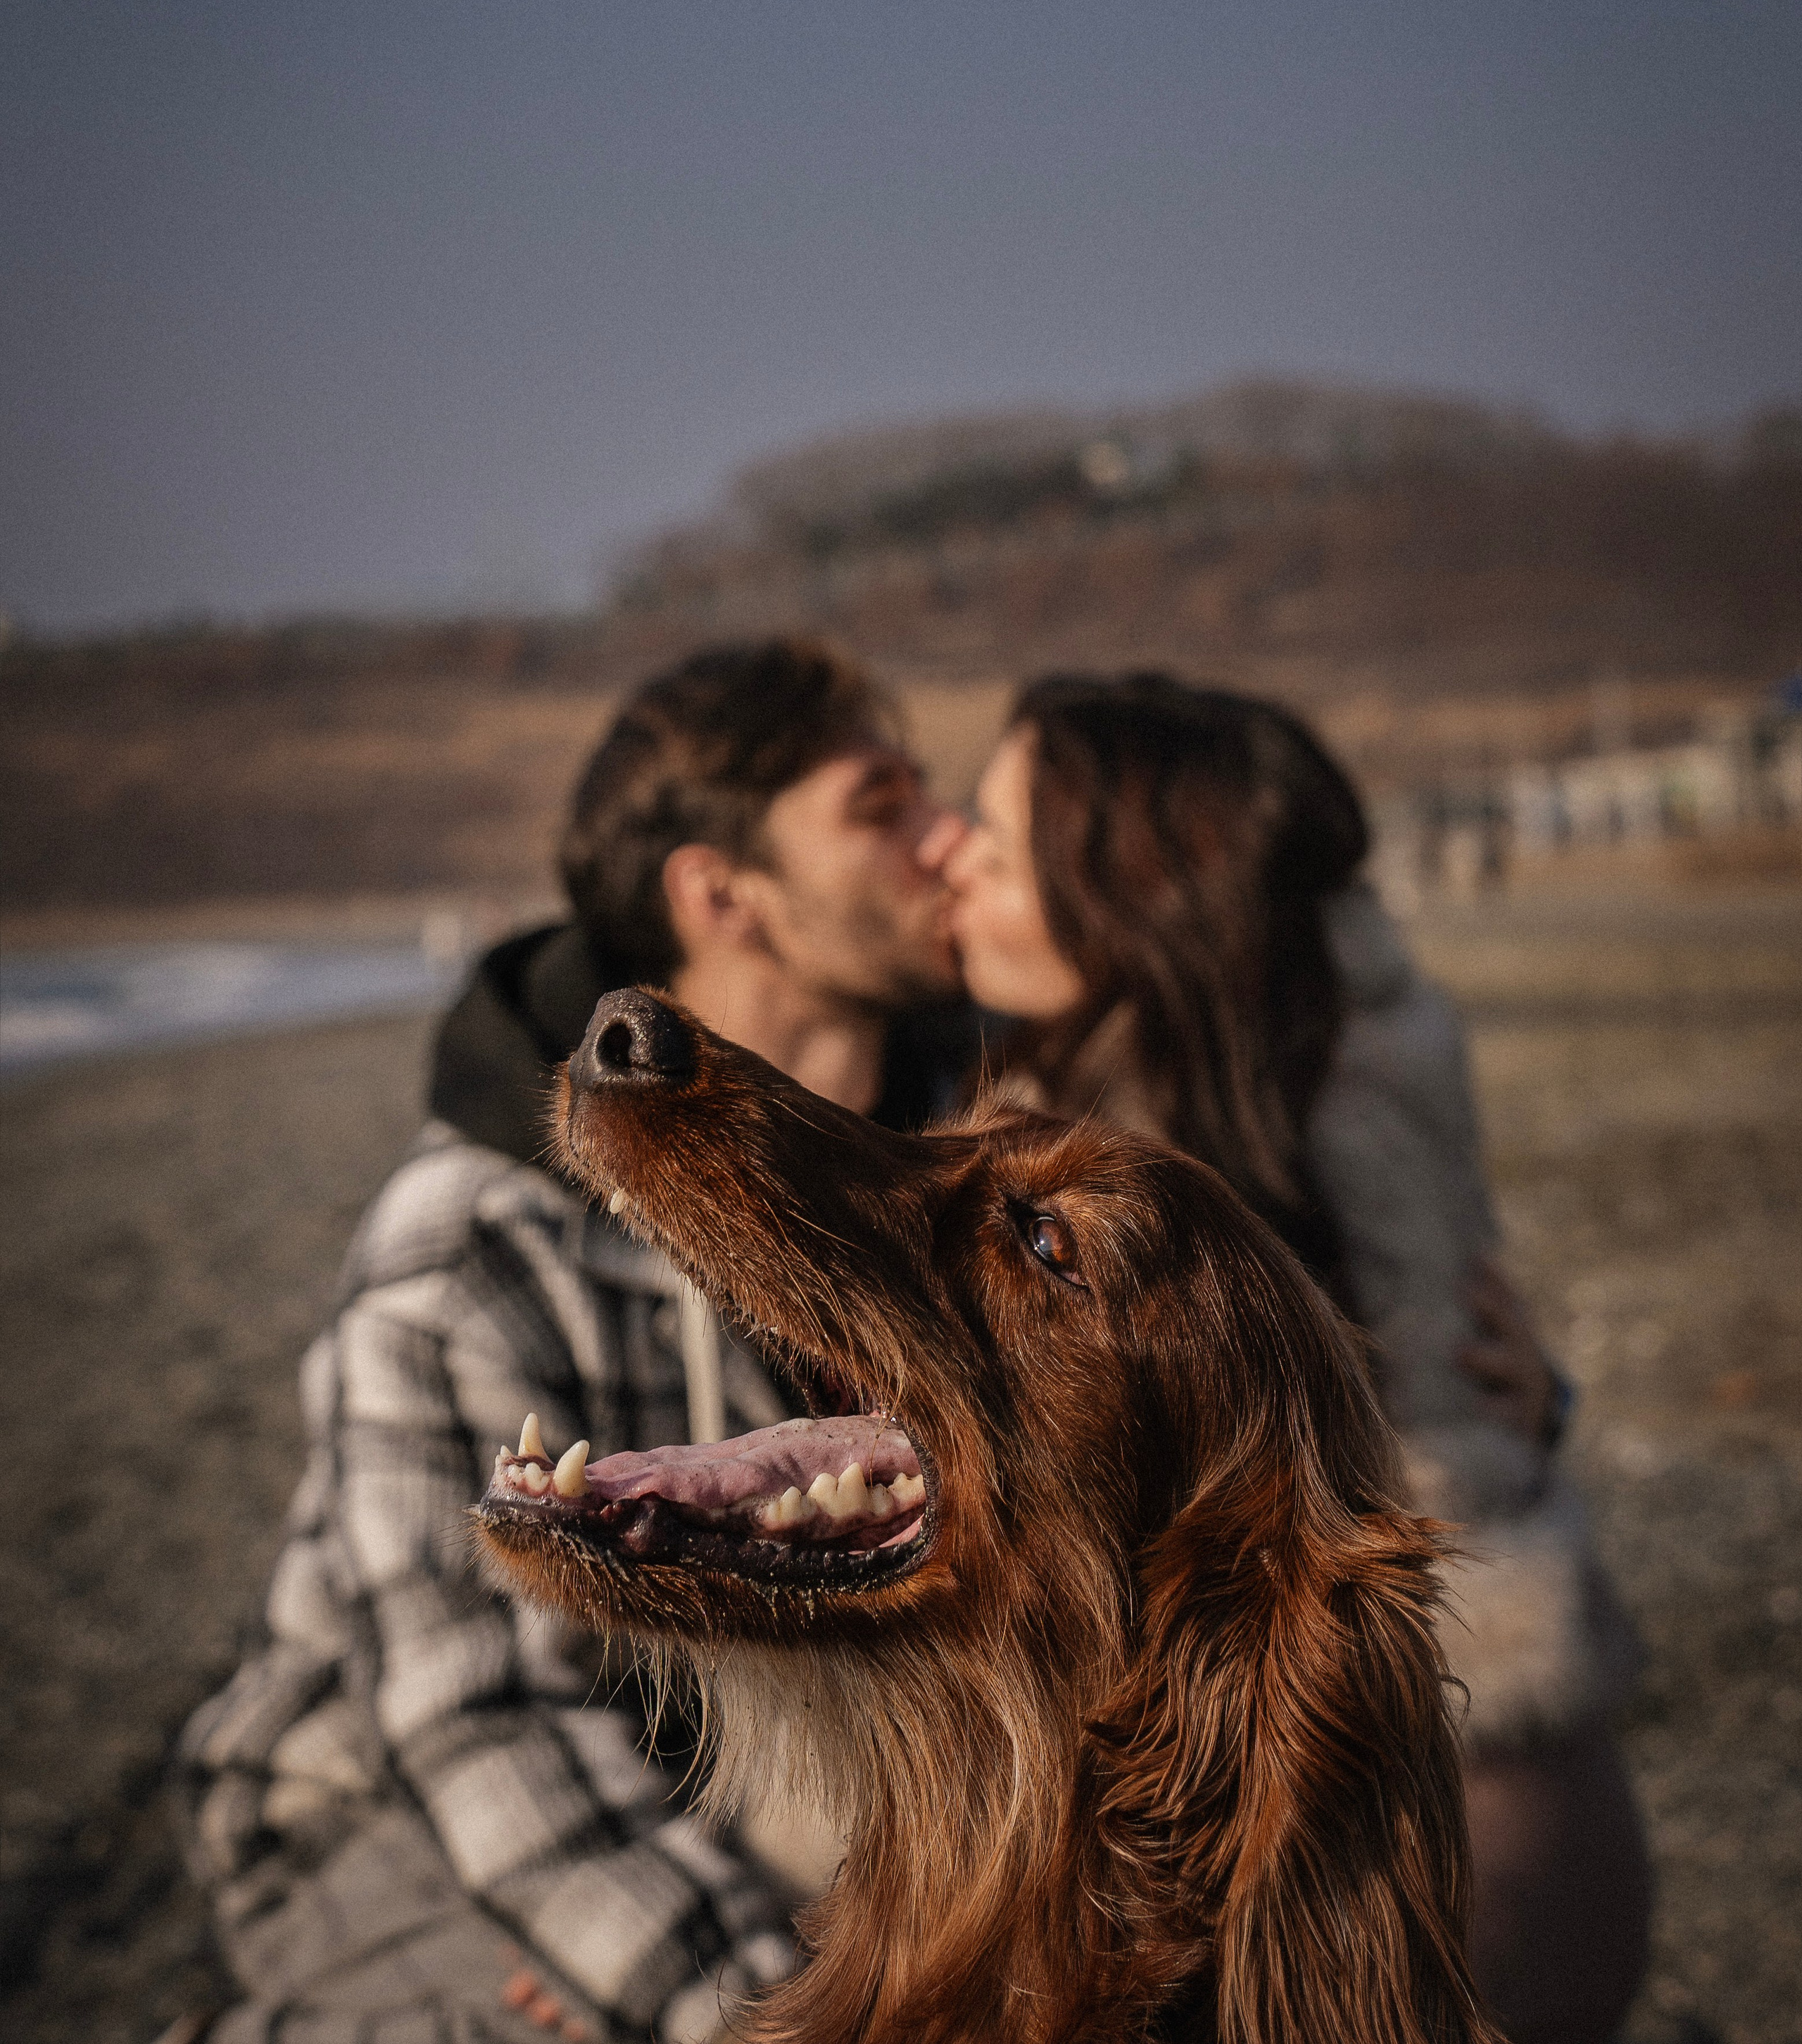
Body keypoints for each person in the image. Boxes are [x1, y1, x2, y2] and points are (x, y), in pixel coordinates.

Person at [176, 638, 969, 2044]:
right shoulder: (476, 1237)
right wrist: (754, 2012)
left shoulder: (956, 1157)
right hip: (390, 1809)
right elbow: (476, 1720)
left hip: (771, 1775)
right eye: (881, 804)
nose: (945, 834)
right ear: (722, 895)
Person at [938, 674, 1651, 2044]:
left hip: (1389, 1852)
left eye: (995, 837)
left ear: (1131, 904)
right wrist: (1542, 1407)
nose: (954, 861)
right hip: (1519, 1799)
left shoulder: (1145, 1182)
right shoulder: (1317, 1054)